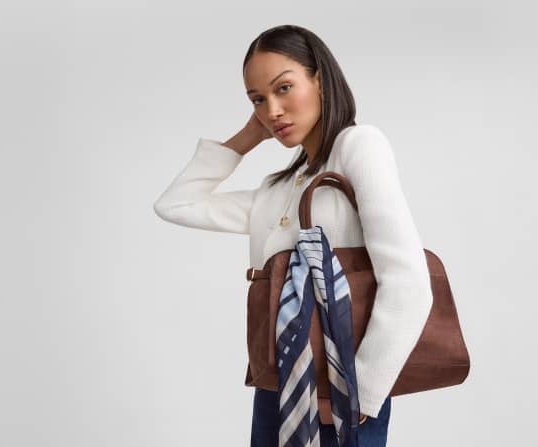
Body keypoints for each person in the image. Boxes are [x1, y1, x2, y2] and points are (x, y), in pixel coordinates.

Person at [154, 24, 433, 446]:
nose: (273, 110)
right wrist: (248, 137)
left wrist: (362, 396)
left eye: (284, 88)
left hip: (346, 388)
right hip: (276, 383)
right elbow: (176, 204)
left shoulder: (358, 147)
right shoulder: (277, 190)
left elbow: (408, 283)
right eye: (258, 100)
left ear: (319, 79)